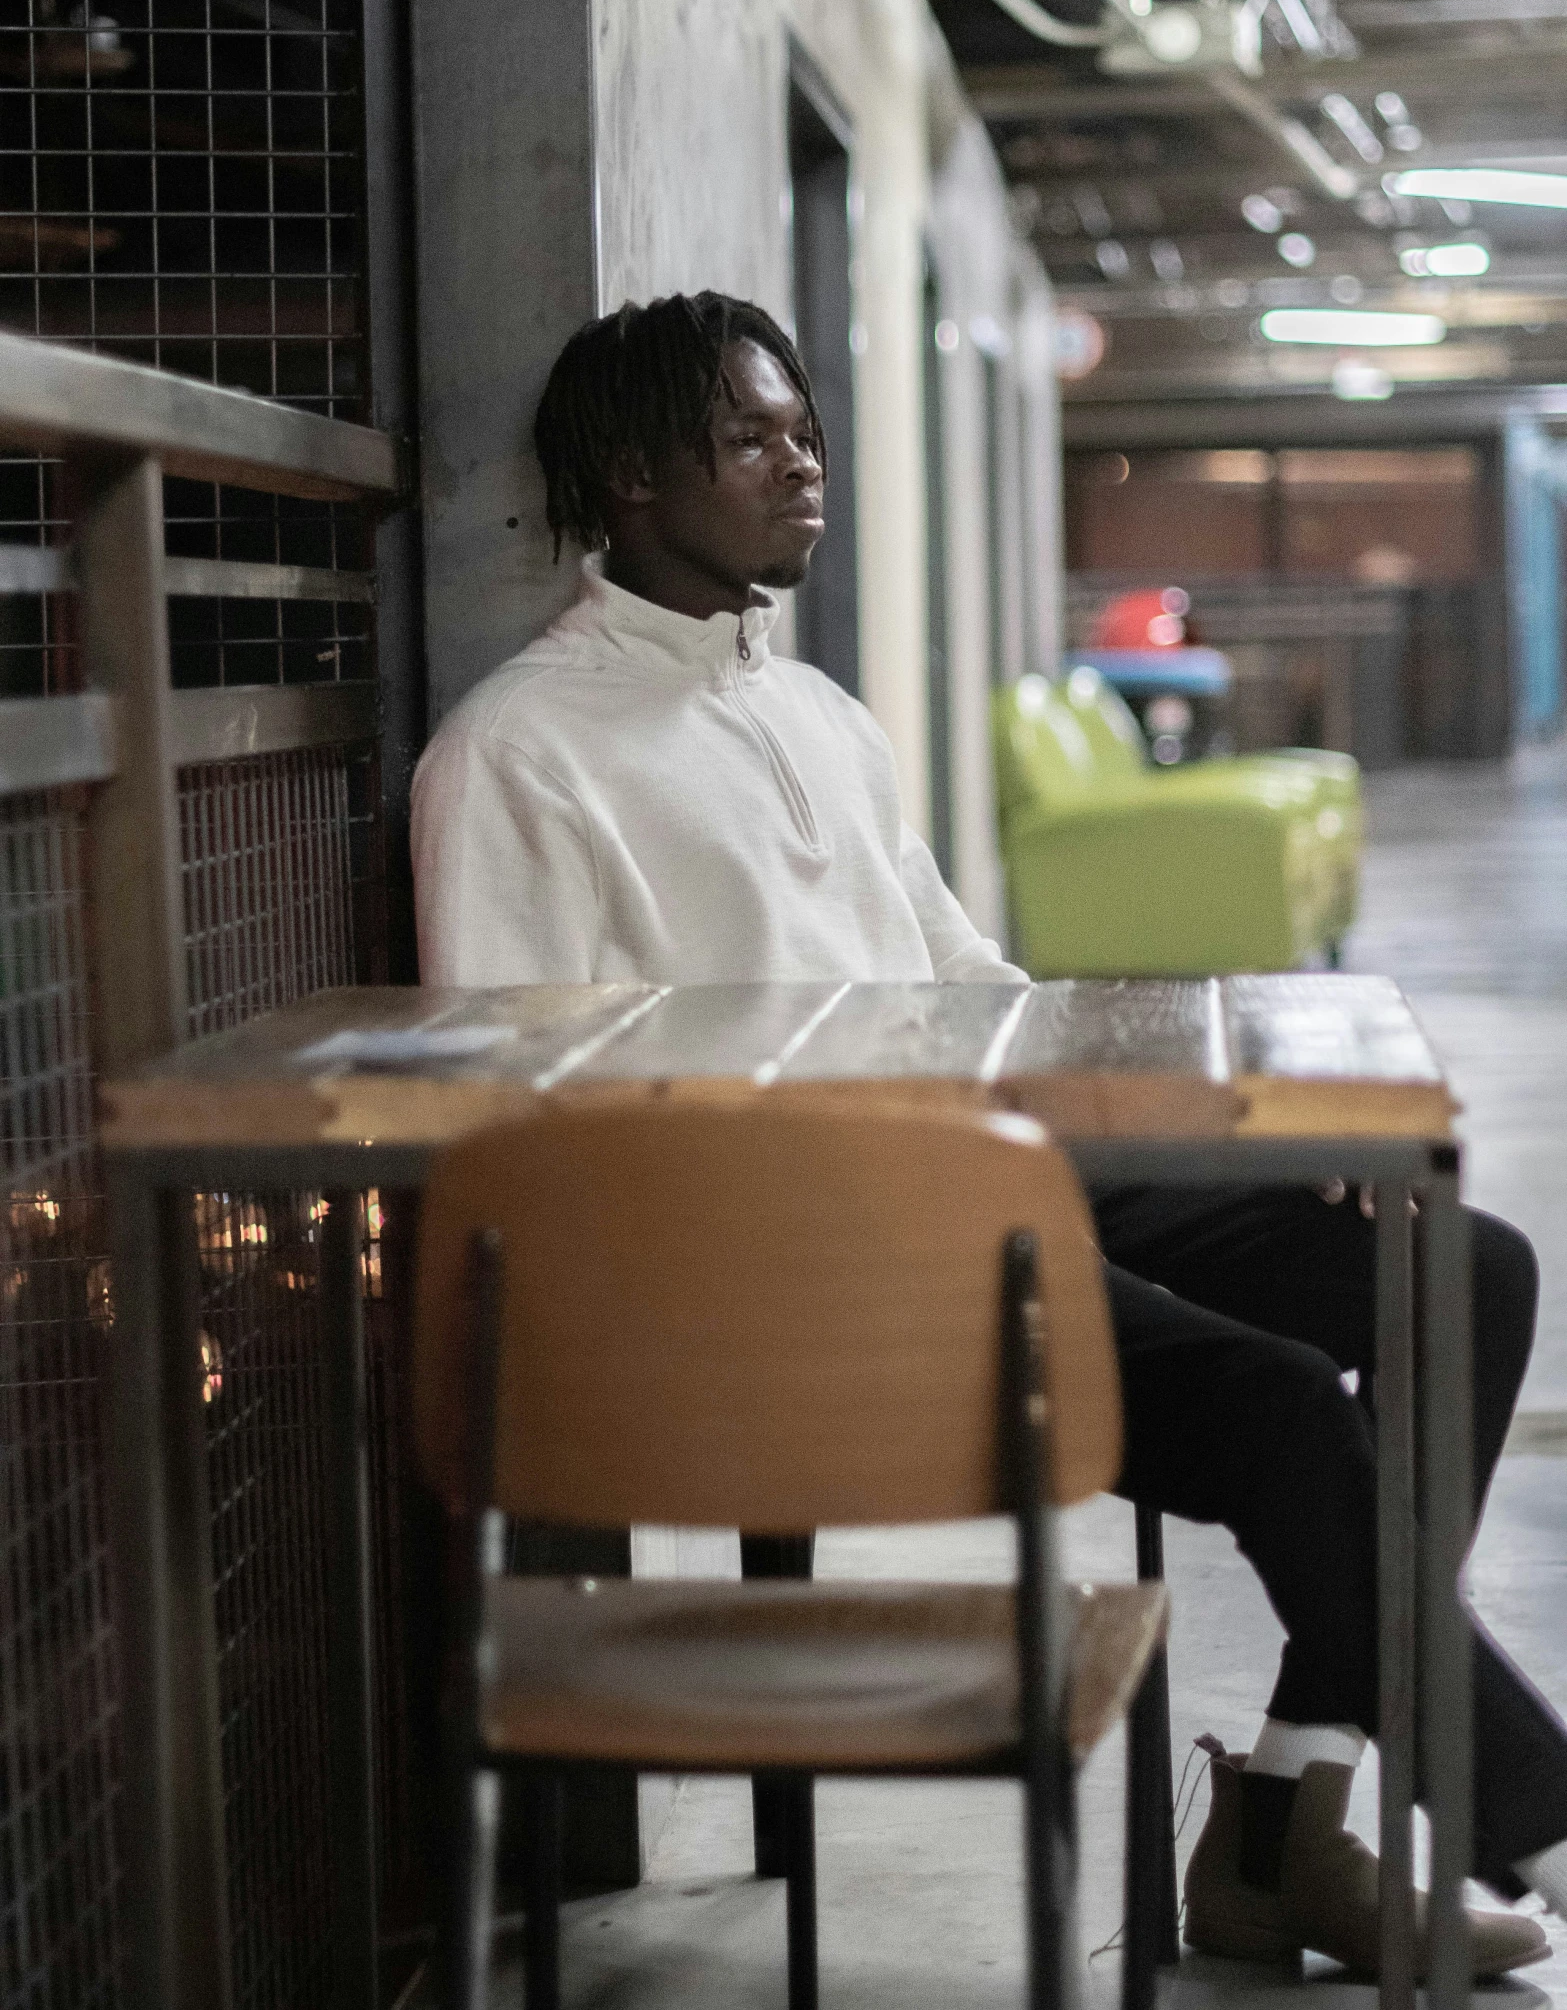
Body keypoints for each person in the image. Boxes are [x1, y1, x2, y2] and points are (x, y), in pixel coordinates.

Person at [412, 291, 1567, 1977]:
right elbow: (525, 1116)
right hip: (810, 1268)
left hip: (1000, 1183)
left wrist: (1215, 1131)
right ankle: (1507, 1804)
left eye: (805, 427)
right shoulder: (516, 754)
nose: (803, 461)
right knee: (1272, 1411)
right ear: (632, 479)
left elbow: (971, 979)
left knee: (1450, 1268)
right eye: (755, 437)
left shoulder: (813, 711)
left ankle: (1277, 1827)